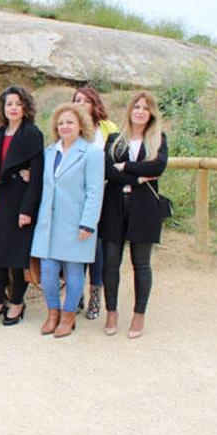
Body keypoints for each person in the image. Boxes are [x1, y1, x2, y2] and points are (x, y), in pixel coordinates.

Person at [31, 104, 105, 337]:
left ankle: (68, 316)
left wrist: (88, 223)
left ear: (81, 125)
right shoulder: (49, 152)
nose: (65, 126)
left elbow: (95, 191)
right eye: (61, 123)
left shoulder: (92, 153)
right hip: (49, 224)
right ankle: (53, 312)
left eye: (70, 122)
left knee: (74, 271)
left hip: (76, 224)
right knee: (48, 272)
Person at [100, 91, 167, 339]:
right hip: (114, 205)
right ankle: (111, 311)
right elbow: (106, 169)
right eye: (136, 107)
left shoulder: (158, 139)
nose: (140, 111)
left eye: (145, 108)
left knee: (141, 263)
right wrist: (138, 177)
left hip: (144, 208)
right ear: (130, 111)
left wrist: (125, 166)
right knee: (110, 262)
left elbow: (158, 166)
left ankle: (139, 314)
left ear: (151, 114)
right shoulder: (115, 139)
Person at [0, 86, 44, 327]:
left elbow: (36, 177)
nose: (13, 108)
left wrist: (27, 209)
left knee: (16, 256)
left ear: (25, 107)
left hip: (18, 204)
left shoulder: (32, 134)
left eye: (17, 103)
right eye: (8, 104)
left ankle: (17, 301)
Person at [73, 86, 119, 320]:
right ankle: (76, 293)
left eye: (85, 100)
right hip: (76, 196)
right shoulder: (72, 127)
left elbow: (115, 160)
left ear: (94, 103)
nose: (80, 103)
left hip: (104, 195)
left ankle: (95, 297)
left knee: (97, 248)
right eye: (76, 100)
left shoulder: (108, 128)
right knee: (77, 245)